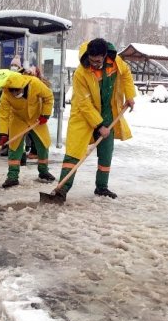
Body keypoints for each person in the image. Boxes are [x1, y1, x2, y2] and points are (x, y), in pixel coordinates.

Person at [54, 38, 135, 201]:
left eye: (98, 61)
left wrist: (130, 95)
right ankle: (62, 189)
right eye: (91, 60)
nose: (94, 64)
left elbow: (126, 74)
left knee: (106, 153)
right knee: (74, 152)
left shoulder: (115, 62)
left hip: (108, 112)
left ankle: (102, 187)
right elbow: (84, 103)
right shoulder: (80, 72)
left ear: (105, 56)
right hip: (83, 114)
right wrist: (99, 125)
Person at [0, 73, 56, 187]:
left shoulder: (35, 84)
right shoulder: (6, 94)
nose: (15, 94)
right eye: (12, 92)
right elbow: (3, 114)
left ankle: (43, 172)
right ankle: (12, 177)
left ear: (23, 86)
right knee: (14, 147)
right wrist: (3, 133)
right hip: (18, 120)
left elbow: (48, 96)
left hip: (37, 118)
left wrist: (45, 114)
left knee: (43, 144)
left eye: (17, 91)